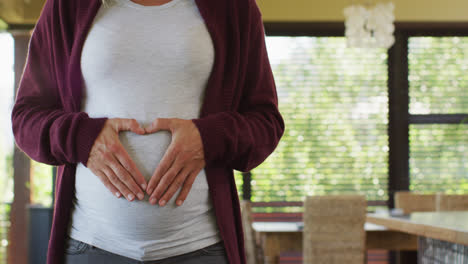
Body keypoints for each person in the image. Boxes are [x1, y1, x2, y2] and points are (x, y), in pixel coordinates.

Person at [11, 0, 284, 263]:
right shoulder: (66, 6)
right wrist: (82, 138)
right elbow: (26, 119)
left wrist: (208, 139)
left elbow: (266, 123)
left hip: (202, 248)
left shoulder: (234, 7)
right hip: (91, 246)